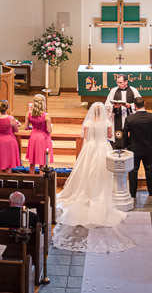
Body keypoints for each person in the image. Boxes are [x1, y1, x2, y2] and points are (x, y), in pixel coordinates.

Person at [52, 102, 135, 253]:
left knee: (86, 171)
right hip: (103, 147)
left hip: (90, 149)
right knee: (102, 172)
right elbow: (110, 136)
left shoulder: (89, 122)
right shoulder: (107, 122)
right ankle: (100, 192)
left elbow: (84, 135)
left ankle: (87, 191)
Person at [124, 96, 152, 197]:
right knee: (149, 170)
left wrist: (126, 146)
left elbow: (124, 133)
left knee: (133, 171)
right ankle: (151, 191)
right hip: (148, 147)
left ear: (134, 106)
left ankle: (133, 193)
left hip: (134, 148)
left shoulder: (130, 118)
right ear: (144, 104)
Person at [104, 74, 141, 143]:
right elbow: (107, 105)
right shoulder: (113, 91)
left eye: (121, 82)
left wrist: (130, 106)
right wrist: (114, 107)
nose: (119, 84)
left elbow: (139, 103)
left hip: (130, 115)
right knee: (118, 136)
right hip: (117, 117)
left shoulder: (134, 91)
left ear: (126, 82)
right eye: (117, 82)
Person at [23, 94, 54, 172]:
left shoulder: (28, 114)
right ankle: (41, 181)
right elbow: (49, 130)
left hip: (33, 137)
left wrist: (33, 127)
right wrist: (51, 127)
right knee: (42, 162)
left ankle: (31, 181)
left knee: (32, 162)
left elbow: (26, 127)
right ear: (43, 103)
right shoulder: (46, 115)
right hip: (43, 138)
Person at [0, 100, 23, 173]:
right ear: (7, 108)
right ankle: (7, 182)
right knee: (8, 164)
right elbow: (16, 130)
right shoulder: (11, 119)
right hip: (9, 141)